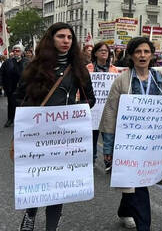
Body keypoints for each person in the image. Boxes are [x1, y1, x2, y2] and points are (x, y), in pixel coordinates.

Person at [15, 22, 96, 231]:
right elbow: (19, 98)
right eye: (61, 36)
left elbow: (91, 100)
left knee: (58, 183)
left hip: (65, 137)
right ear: (51, 39)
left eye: (69, 38)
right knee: (37, 178)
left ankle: (52, 225)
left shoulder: (79, 69)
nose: (66, 41)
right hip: (37, 135)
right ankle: (30, 214)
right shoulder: (35, 66)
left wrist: (73, 112)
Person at [100, 37, 162, 230]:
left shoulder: (160, 80)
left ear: (152, 55)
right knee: (138, 186)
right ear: (131, 55)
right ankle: (144, 226)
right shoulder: (122, 80)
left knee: (135, 182)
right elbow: (110, 112)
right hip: (128, 143)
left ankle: (125, 211)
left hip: (151, 142)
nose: (142, 55)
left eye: (146, 52)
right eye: (138, 52)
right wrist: (108, 147)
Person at [86, 41, 119, 165]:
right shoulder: (88, 68)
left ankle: (108, 161)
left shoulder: (114, 69)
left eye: (106, 50)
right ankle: (92, 159)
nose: (104, 52)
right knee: (92, 136)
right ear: (95, 53)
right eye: (101, 50)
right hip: (93, 109)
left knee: (108, 137)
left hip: (109, 109)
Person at [0, 44, 28, 127]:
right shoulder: (7, 62)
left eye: (18, 50)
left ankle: (23, 121)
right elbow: (1, 73)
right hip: (10, 87)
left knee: (23, 105)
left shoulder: (27, 62)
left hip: (23, 88)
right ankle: (10, 119)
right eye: (14, 50)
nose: (15, 52)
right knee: (11, 104)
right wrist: (1, 84)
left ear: (22, 52)